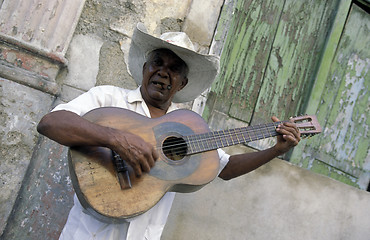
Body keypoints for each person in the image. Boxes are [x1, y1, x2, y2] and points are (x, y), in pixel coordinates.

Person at [37, 23, 300, 240]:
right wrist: (115, 139)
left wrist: (275, 150)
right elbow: (51, 123)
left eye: (174, 69)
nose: (163, 73)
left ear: (182, 83)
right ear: (144, 68)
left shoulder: (187, 126)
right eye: (157, 63)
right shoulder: (108, 98)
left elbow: (226, 167)